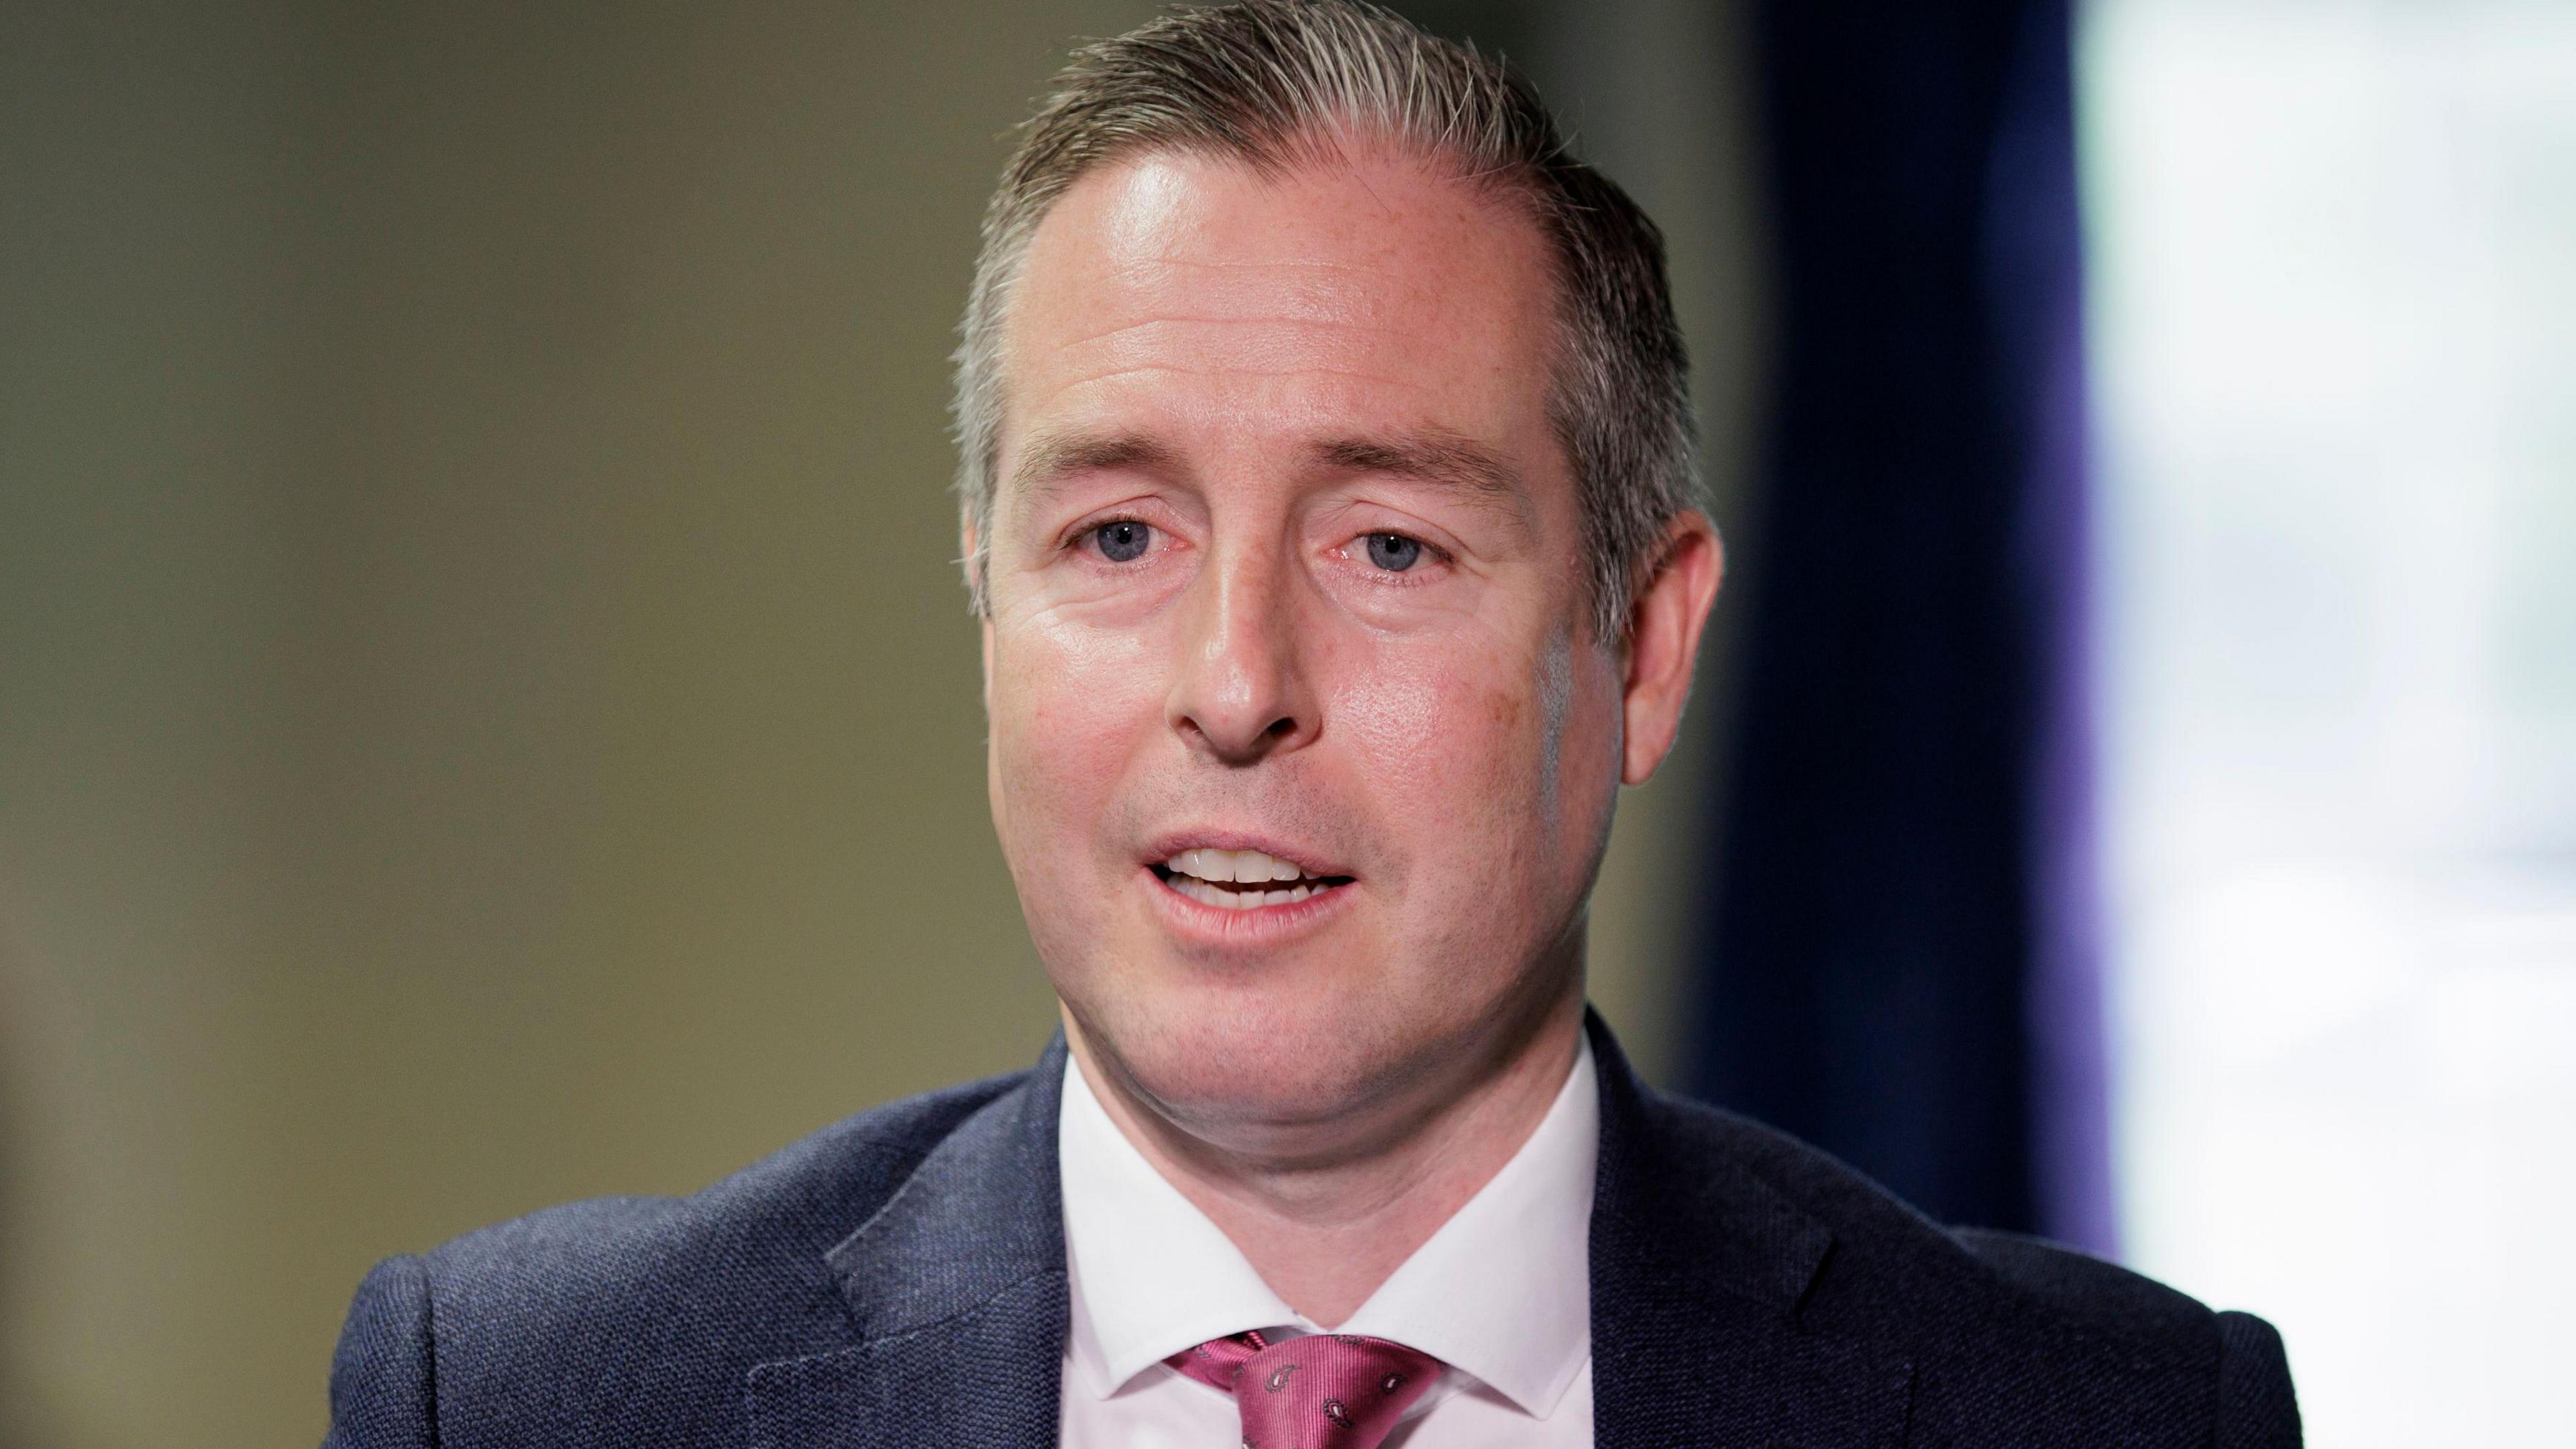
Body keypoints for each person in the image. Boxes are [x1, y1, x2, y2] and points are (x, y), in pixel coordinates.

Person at [320, 3, 2300, 1446]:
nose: (1237, 682)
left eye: (1388, 546)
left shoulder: (2109, 1418)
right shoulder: (515, 1403)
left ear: (1646, 641)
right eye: (1116, 534)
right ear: (986, 595)